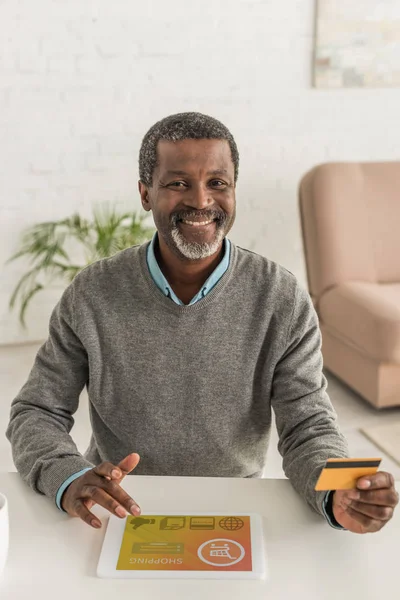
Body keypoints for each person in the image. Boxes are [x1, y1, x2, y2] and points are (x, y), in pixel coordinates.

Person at [6, 112, 398, 535]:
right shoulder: (92, 293)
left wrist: (335, 491)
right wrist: (67, 476)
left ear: (233, 191)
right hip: (119, 505)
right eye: (178, 183)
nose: (200, 200)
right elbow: (37, 410)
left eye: (217, 183)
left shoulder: (280, 298)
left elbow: (309, 425)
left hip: (235, 505)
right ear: (145, 193)